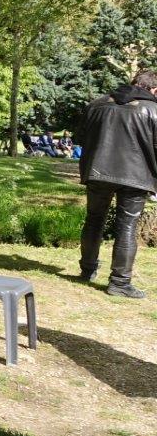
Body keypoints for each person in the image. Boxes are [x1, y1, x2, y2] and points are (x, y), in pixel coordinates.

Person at [76, 70, 157, 298]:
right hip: (136, 176)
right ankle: (119, 282)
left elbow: (80, 137)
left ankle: (87, 269)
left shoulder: (96, 104)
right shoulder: (153, 110)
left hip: (98, 171)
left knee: (93, 220)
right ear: (153, 90)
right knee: (127, 226)